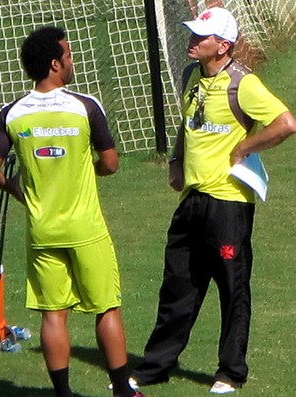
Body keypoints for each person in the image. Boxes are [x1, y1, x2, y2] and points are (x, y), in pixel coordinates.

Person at [131, 6, 296, 395]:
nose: (191, 41)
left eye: (200, 37)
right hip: (193, 198)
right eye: (192, 34)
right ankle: (156, 366)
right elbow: (188, 124)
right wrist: (175, 160)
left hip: (228, 204)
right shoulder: (191, 76)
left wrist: (244, 146)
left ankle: (230, 372)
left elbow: (285, 123)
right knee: (177, 284)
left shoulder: (244, 84)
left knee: (232, 286)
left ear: (223, 46)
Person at [0, 26, 145, 397]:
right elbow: (110, 164)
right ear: (54, 64)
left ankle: (62, 394)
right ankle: (123, 392)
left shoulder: (11, 114)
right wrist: (82, 169)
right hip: (86, 228)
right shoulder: (84, 106)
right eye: (69, 54)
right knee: (107, 308)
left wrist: (19, 190)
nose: (72, 60)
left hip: (42, 230)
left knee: (52, 314)